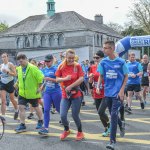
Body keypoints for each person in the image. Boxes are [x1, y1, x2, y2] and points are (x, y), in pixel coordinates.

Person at [96, 41, 128, 150]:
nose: (104, 50)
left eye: (106, 48)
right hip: (107, 93)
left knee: (113, 115)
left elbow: (126, 76)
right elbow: (101, 75)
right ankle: (121, 124)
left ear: (112, 49)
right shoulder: (103, 62)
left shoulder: (121, 62)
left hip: (117, 93)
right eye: (104, 48)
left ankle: (112, 141)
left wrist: (122, 90)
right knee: (112, 114)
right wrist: (98, 86)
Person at [56, 49, 84, 141]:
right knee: (63, 115)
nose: (71, 60)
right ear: (65, 57)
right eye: (69, 58)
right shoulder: (61, 66)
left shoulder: (77, 66)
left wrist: (71, 86)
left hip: (76, 94)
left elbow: (81, 79)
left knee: (75, 115)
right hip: (65, 95)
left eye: (73, 58)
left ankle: (80, 132)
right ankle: (66, 130)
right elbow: (57, 79)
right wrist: (65, 79)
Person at [15, 54, 44, 133]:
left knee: (36, 107)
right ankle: (22, 124)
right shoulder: (19, 68)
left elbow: (41, 77)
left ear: (26, 59)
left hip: (32, 92)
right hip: (22, 93)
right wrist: (17, 84)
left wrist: (40, 87)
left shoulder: (33, 68)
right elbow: (21, 79)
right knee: (21, 107)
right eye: (19, 59)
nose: (21, 60)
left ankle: (41, 120)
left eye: (22, 58)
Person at [38, 54, 62, 135]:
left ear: (52, 61)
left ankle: (65, 121)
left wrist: (50, 79)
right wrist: (41, 87)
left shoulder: (56, 69)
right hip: (47, 92)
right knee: (46, 109)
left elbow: (59, 80)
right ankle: (46, 128)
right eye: (46, 61)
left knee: (59, 109)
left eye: (48, 61)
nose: (47, 62)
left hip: (56, 92)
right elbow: (45, 81)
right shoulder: (44, 70)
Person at [89, 50, 110, 137]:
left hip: (105, 93)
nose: (95, 59)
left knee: (101, 111)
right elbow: (91, 81)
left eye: (97, 58)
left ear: (102, 58)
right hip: (96, 92)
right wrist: (91, 79)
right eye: (94, 58)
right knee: (99, 112)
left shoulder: (106, 66)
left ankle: (110, 125)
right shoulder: (92, 67)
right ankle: (106, 128)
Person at [0, 53, 19, 121]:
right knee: (3, 100)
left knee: (12, 99)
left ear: (7, 57)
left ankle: (16, 110)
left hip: (10, 83)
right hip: (3, 84)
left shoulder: (10, 64)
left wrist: (8, 72)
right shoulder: (1, 65)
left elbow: (15, 74)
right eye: (2, 57)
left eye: (5, 57)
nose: (3, 58)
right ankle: (3, 116)